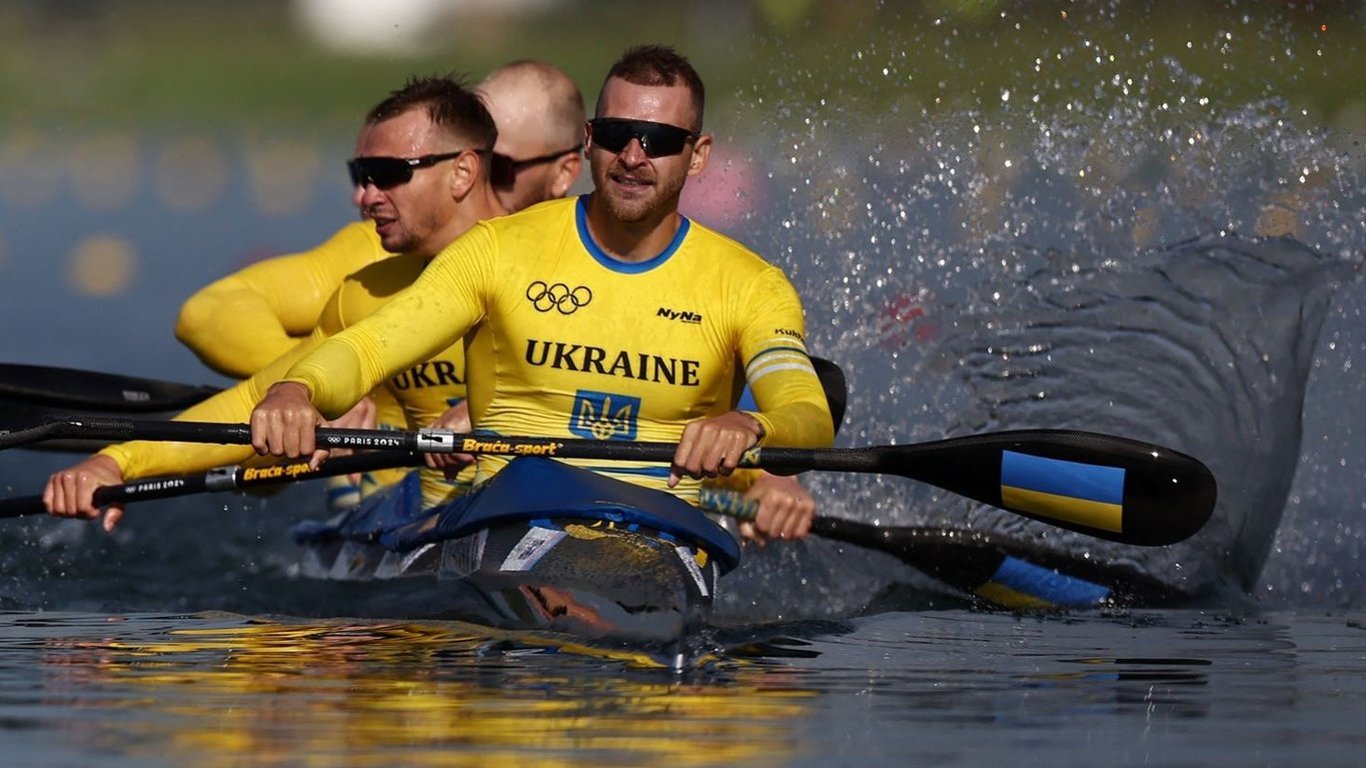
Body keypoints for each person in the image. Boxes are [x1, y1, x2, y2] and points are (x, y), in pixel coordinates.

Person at [247, 45, 834, 540]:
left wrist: (751, 428)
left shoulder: (752, 286)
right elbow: (371, 345)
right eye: (615, 135)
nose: (633, 156)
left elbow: (806, 412)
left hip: (660, 532)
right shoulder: (498, 249)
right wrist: (297, 390)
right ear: (587, 141)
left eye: (657, 140)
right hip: (504, 522)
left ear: (698, 154)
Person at [44, 75, 506, 530]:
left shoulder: (553, 258)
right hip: (429, 520)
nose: (362, 197)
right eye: (361, 176)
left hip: (552, 500)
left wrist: (490, 415)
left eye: (387, 175)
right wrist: (115, 462)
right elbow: (250, 397)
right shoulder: (366, 292)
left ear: (463, 171)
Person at [173, 60, 587, 379]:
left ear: (564, 173)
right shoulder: (373, 253)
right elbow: (209, 311)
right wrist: (315, 386)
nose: (476, 180)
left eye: (498, 166)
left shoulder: (592, 266)